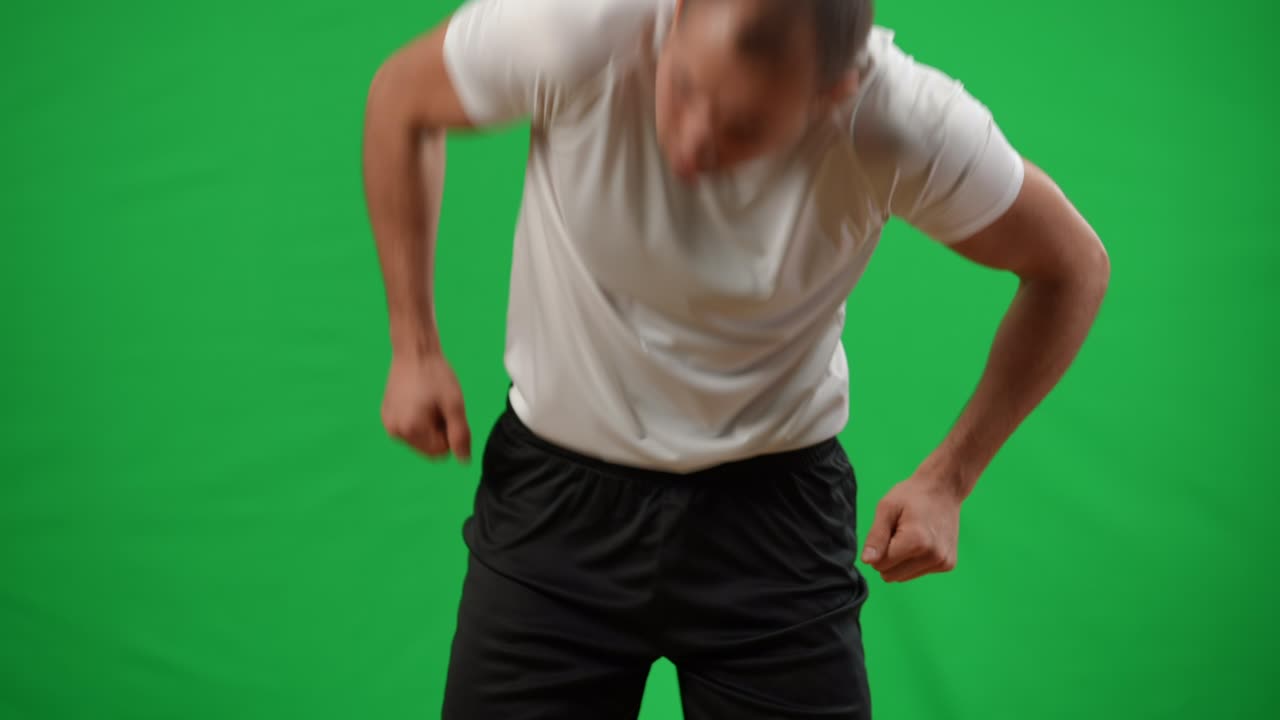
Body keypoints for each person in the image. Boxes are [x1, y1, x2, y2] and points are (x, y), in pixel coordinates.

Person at [362, 0, 1110, 717]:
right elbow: (401, 98)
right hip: (555, 510)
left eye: (743, 125)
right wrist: (414, 346)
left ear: (834, 92)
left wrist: (950, 478)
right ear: (678, 12)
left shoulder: (899, 121)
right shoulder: (575, 28)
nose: (689, 145)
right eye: (683, 87)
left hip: (773, 523)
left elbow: (1073, 267)